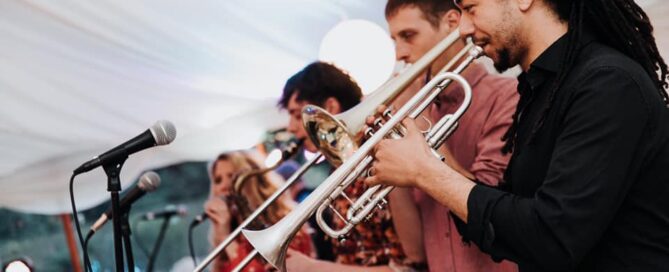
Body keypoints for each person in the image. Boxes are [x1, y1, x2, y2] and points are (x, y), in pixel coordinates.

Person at [365, 0, 669, 271]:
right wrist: (423, 153)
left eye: (471, 9)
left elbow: (552, 238)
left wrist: (425, 172)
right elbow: (511, 215)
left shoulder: (607, 83)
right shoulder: (539, 90)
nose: (464, 28)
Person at [382, 0, 519, 271]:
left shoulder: (507, 96)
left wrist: (421, 124)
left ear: (452, 23)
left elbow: (489, 208)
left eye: (408, 36)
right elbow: (415, 251)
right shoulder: (415, 110)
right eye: (394, 40)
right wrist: (387, 151)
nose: (399, 53)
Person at [278, 62, 415, 271]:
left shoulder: (379, 161)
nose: (291, 127)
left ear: (331, 108)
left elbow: (411, 265)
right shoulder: (340, 167)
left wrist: (313, 268)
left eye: (298, 115)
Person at [205, 151, 313, 272]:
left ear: (252, 180)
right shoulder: (228, 234)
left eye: (232, 176)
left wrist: (226, 238)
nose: (224, 186)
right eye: (218, 180)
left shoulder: (286, 223)